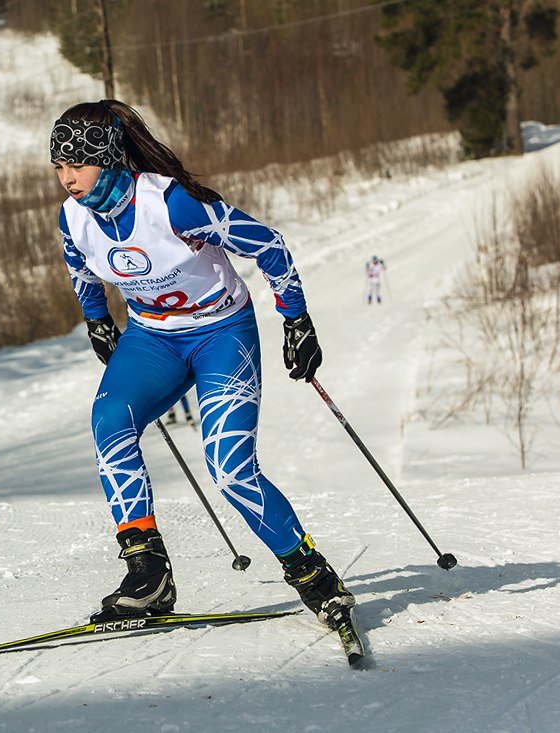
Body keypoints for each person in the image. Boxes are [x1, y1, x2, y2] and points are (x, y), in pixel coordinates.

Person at [51, 99, 354, 632]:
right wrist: (97, 319)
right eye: (58, 166)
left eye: (77, 163)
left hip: (221, 335)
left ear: (108, 156)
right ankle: (148, 576)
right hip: (153, 340)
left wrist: (297, 320)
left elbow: (269, 246)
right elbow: (81, 269)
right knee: (110, 425)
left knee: (230, 469)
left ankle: (314, 578)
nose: (66, 178)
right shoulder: (73, 217)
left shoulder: (173, 205)